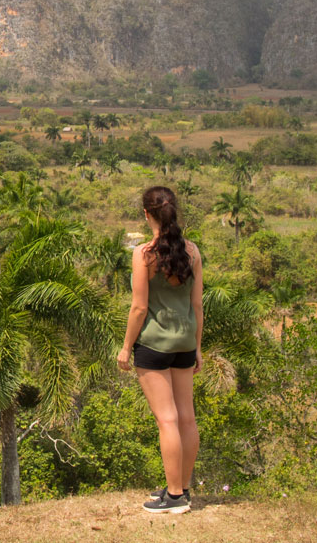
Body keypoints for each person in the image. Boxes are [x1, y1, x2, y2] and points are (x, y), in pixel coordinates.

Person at [117, 185, 203, 515]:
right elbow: (197, 306)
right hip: (184, 343)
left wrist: (126, 347)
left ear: (146, 214)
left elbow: (139, 308)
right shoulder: (192, 251)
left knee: (166, 420)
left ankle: (175, 496)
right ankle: (181, 489)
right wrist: (196, 349)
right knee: (186, 418)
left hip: (153, 345)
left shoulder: (144, 254)